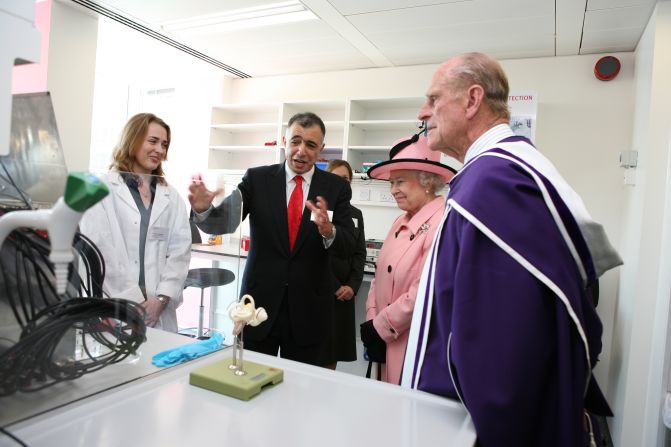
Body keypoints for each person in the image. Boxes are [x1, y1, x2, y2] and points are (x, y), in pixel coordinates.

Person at [401, 53, 622, 446]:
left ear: (472, 100)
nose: (423, 111)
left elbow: (498, 343)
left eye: (434, 99)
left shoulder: (492, 183)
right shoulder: (504, 170)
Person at [188, 112, 355, 367]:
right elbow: (225, 222)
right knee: (250, 382)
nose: (301, 151)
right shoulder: (257, 179)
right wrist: (203, 210)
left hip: (310, 311)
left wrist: (328, 231)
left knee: (301, 393)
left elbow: (348, 244)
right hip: (258, 307)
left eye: (311, 145)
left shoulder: (336, 187)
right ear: (284, 140)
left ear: (321, 149)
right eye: (295, 141)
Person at [80, 113, 191, 332]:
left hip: (158, 311)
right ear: (132, 139)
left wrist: (161, 299)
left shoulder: (171, 196)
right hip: (116, 306)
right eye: (152, 141)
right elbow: (100, 251)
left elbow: (180, 253)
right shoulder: (101, 190)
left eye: (164, 144)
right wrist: (133, 301)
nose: (159, 150)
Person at [360, 135, 456, 384]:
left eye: (400, 182)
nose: (393, 190)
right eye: (392, 182)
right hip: (384, 339)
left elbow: (425, 290)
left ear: (426, 182)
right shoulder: (399, 221)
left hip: (412, 342)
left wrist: (382, 326)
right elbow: (379, 273)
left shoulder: (441, 223)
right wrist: (372, 321)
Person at [319, 160, 366, 370]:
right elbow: (314, 255)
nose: (341, 183)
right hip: (321, 292)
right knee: (316, 351)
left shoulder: (356, 215)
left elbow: (359, 253)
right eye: (336, 179)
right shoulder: (319, 214)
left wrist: (352, 287)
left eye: (345, 179)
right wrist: (333, 285)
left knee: (334, 352)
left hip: (345, 296)